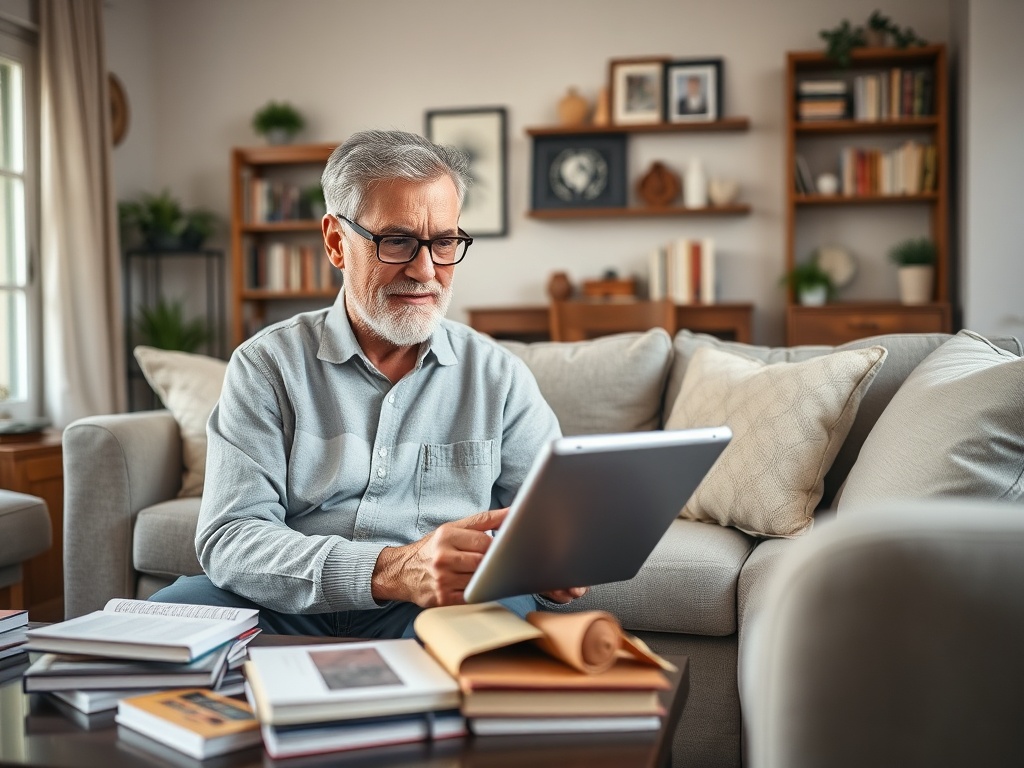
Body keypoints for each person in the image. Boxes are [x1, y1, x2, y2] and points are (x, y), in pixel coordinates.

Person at [150, 130, 586, 637]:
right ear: (337, 242)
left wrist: (558, 559)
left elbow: (552, 523)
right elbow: (231, 537)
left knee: (489, 630)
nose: (425, 270)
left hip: (434, 608)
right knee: (161, 626)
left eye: (444, 242)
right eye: (397, 240)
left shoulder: (498, 376)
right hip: (287, 602)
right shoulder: (266, 365)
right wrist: (392, 570)